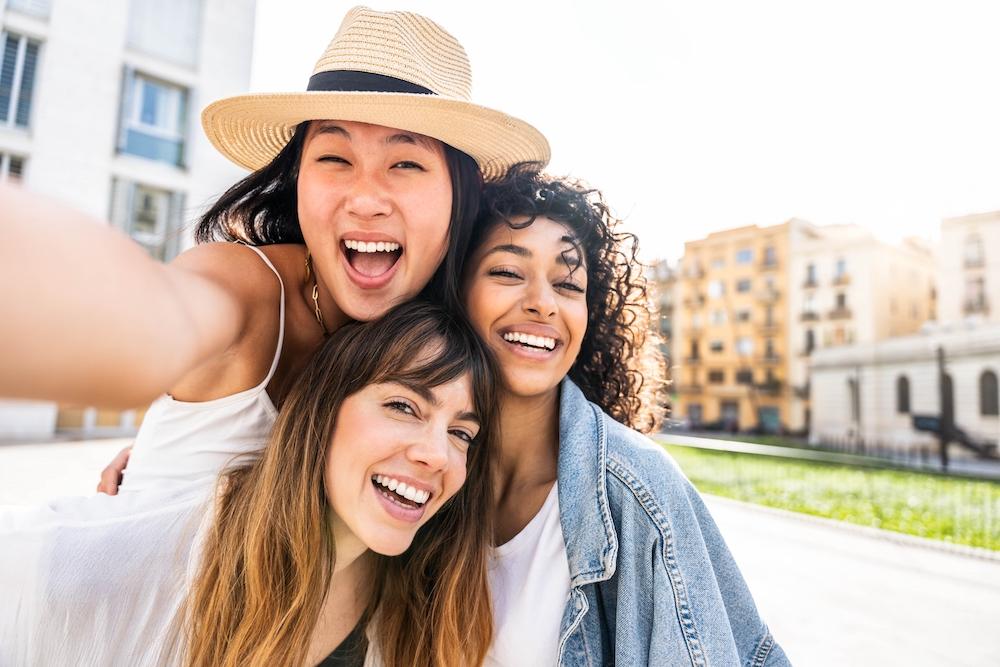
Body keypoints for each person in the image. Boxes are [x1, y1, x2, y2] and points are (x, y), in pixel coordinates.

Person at [0, 6, 548, 493]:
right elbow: (149, 319)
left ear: (461, 194)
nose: (364, 199)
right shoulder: (246, 287)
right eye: (334, 158)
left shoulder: (449, 335)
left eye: (405, 163)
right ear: (297, 177)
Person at [0, 300, 500, 667]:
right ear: (321, 411)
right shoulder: (138, 556)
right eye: (403, 406)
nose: (437, 455)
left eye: (461, 433)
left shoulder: (416, 602)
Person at [462, 166, 792, 666]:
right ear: (455, 288)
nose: (542, 304)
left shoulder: (639, 492)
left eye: (568, 285)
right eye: (508, 272)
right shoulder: (417, 466)